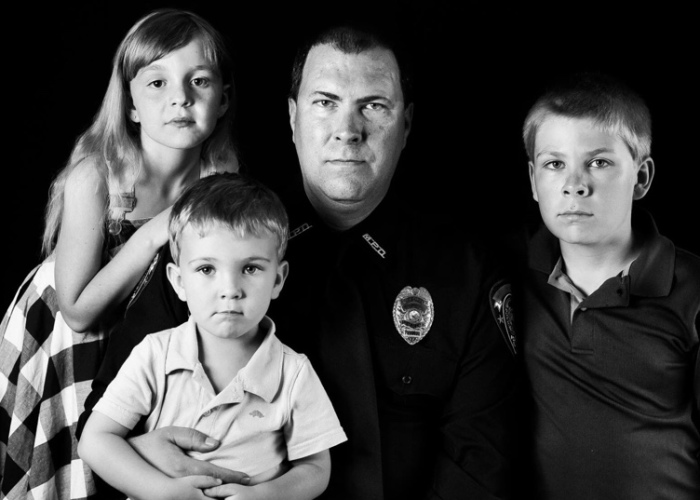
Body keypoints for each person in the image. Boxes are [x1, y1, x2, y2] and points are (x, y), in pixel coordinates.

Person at [80, 25, 517, 500]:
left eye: (374, 106)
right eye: (325, 102)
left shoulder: (465, 272)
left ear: (406, 124)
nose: (348, 131)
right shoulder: (215, 242)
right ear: (292, 118)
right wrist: (142, 456)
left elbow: (479, 461)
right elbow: (101, 423)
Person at [0, 8, 238, 500]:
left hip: (141, 342)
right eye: (157, 83)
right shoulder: (97, 177)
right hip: (68, 335)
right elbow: (78, 311)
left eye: (199, 81)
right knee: (73, 466)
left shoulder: (220, 185)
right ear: (131, 105)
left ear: (223, 100)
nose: (180, 97)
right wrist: (157, 230)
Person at [78, 172, 347, 500]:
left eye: (250, 268)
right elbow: (95, 440)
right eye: (206, 269)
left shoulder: (293, 372)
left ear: (278, 280)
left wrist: (264, 496)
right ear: (179, 281)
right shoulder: (155, 354)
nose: (230, 290)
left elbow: (316, 468)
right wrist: (165, 492)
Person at [520, 72, 700, 499]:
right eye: (554, 164)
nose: (575, 185)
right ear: (533, 181)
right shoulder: (508, 273)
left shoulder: (692, 290)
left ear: (641, 177)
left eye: (599, 162)